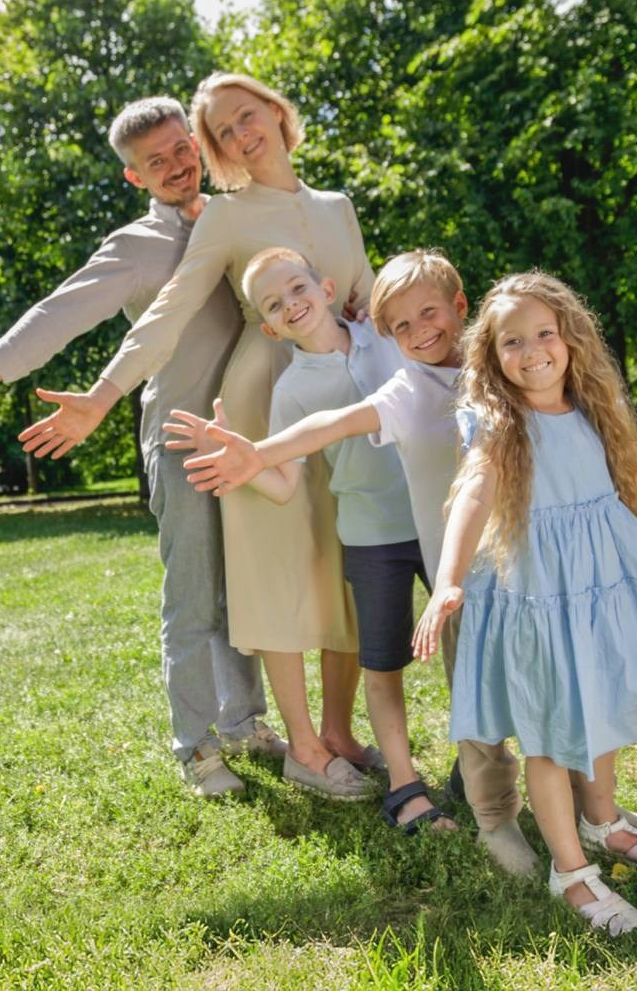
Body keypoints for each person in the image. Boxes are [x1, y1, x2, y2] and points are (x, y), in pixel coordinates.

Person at [0, 97, 285, 798]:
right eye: (153, 162)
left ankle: (244, 720)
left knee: (244, 585)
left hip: (249, 437)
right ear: (135, 178)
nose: (173, 167)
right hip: (181, 439)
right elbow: (57, 315)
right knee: (194, 597)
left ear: (197, 144)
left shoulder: (239, 215)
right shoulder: (136, 248)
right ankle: (196, 747)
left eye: (178, 149)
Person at [16, 72, 381, 798]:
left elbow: (369, 304)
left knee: (324, 570)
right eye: (221, 134)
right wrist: (99, 394)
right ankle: (242, 747)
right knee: (235, 584)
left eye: (194, 144)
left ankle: (296, 728)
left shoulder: (322, 207)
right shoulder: (191, 228)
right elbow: (160, 319)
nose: (232, 140)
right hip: (227, 415)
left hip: (330, 400)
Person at [413, 271, 637, 934]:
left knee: (601, 699)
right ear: (491, 357)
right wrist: (448, 578)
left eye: (544, 334)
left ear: (571, 337)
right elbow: (473, 491)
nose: (532, 352)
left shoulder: (590, 409)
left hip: (597, 586)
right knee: (552, 734)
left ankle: (603, 820)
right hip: (538, 594)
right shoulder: (499, 419)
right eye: (512, 342)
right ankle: (571, 872)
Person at [173, 247, 458, 827]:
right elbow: (284, 486)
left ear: (326, 288)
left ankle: (478, 763)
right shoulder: (293, 389)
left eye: (298, 288)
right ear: (269, 326)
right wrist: (244, 460)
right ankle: (406, 787)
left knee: (472, 648)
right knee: (382, 663)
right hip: (370, 535)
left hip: (441, 522)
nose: (291, 304)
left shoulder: (387, 337)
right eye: (275, 305)